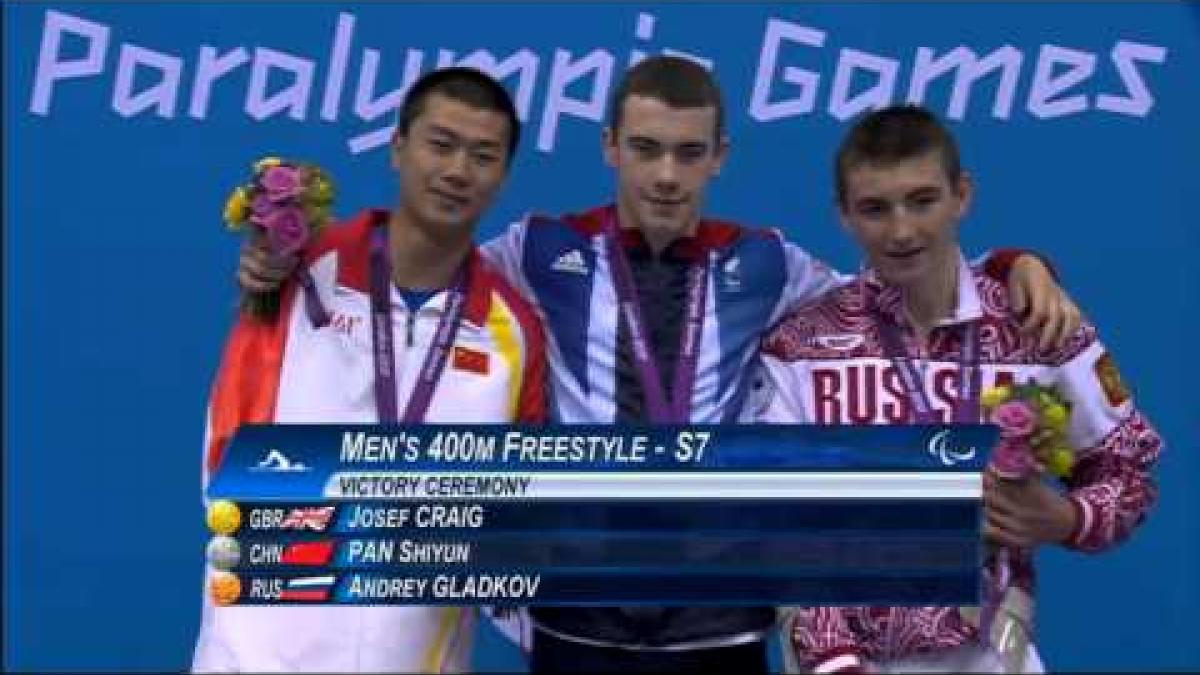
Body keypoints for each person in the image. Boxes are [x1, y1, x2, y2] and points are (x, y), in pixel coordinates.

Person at [236, 57, 1082, 672]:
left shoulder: (769, 264)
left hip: (723, 626)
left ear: (720, 156)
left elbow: (895, 285)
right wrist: (283, 259)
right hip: (576, 622)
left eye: (688, 152)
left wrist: (1011, 265)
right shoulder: (540, 249)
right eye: (646, 149)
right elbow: (424, 264)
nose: (667, 175)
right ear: (611, 147)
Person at [747, 104, 1163, 673]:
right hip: (845, 661)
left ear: (961, 195)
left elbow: (1127, 467)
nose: (901, 231)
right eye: (875, 209)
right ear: (844, 216)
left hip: (997, 655)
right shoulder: (801, 346)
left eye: (922, 200)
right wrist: (831, 660)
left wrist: (1068, 518)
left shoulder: (1036, 325)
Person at [192, 68, 547, 673]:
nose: (459, 170)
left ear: (504, 175)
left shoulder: (511, 332)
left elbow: (515, 518)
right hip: (254, 658)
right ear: (397, 147)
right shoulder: (300, 275)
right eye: (440, 144)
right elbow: (226, 456)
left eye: (483, 155)